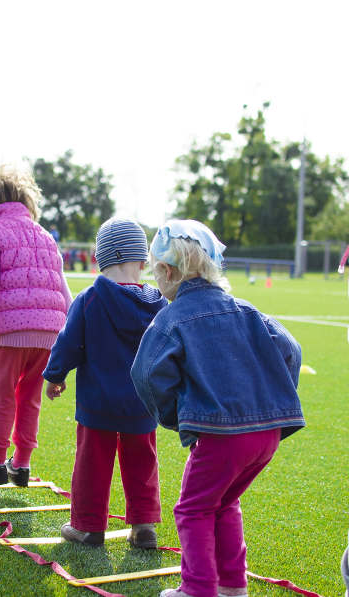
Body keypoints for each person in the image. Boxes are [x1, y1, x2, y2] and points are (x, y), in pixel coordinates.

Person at [130, 219, 305, 597]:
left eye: (157, 273)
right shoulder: (246, 310)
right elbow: (291, 350)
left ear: (168, 271)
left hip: (222, 437)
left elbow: (146, 373)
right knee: (225, 502)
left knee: (193, 509)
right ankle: (232, 586)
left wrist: (176, 417)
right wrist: (273, 399)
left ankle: (197, 589)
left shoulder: (171, 318)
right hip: (267, 436)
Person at [43, 218, 167, 548]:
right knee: (143, 462)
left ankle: (88, 526)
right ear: (143, 261)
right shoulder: (160, 303)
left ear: (98, 258)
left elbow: (68, 342)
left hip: (97, 402)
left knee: (92, 464)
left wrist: (55, 375)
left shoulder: (89, 299)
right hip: (143, 403)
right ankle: (143, 526)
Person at [0, 165, 72, 486]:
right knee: (29, 397)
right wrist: (72, 337)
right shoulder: (45, 236)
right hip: (50, 331)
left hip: (13, 330)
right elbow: (63, 288)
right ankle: (21, 463)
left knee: (2, 395)